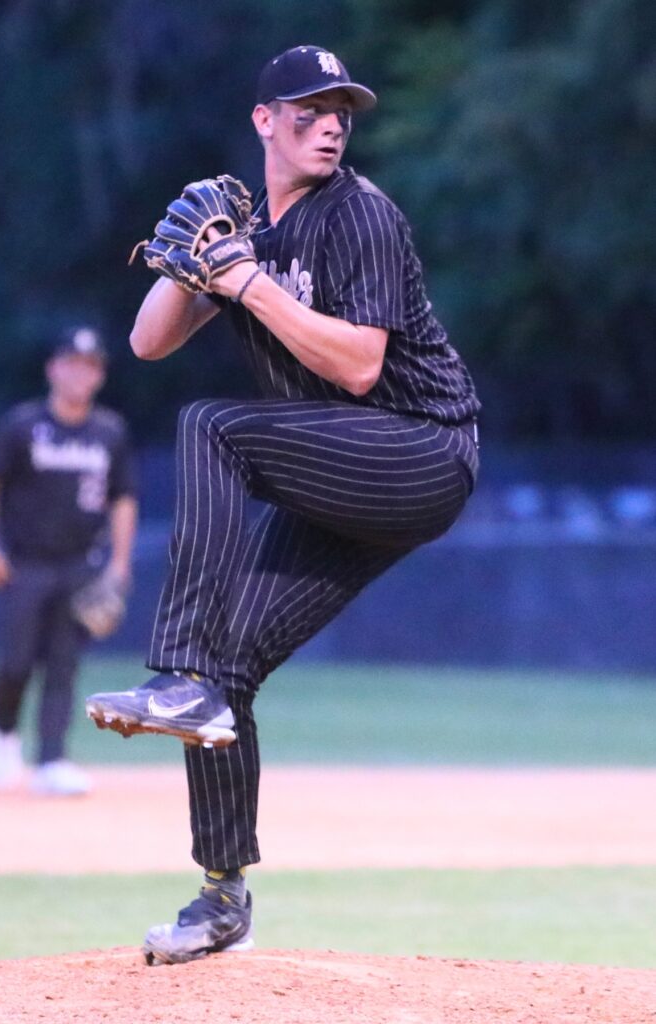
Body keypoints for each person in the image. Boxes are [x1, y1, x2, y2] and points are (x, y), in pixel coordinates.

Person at [86, 44, 480, 962]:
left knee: (213, 426)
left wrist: (246, 281)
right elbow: (147, 342)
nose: (331, 122)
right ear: (264, 120)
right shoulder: (248, 227)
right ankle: (222, 895)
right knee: (231, 667)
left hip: (420, 449)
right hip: (338, 473)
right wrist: (196, 263)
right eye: (309, 108)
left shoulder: (362, 215)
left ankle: (174, 670)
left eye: (342, 108)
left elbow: (360, 366)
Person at [0, 326, 138, 796]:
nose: (79, 373)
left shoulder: (109, 431)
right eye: (71, 362)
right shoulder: (23, 425)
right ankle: (4, 738)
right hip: (26, 562)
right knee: (16, 660)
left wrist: (119, 563)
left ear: (99, 375)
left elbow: (123, 499)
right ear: (52, 369)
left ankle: (51, 758)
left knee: (64, 663)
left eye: (89, 365)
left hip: (81, 563)